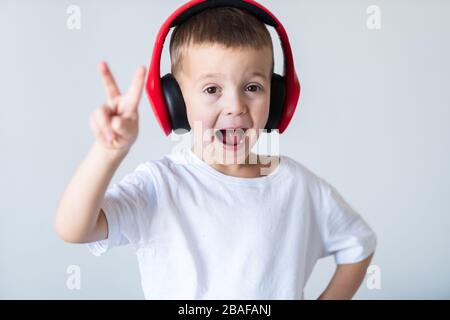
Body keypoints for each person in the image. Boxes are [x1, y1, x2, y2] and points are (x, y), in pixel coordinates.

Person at [55, 2, 377, 300]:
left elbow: (358, 243)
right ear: (175, 103)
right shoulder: (159, 185)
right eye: (212, 89)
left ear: (278, 99)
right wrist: (108, 152)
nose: (235, 106)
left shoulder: (296, 185)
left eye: (253, 87)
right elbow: (74, 228)